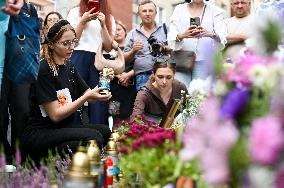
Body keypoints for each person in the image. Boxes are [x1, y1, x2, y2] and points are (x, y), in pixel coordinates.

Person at [20, 20, 113, 161]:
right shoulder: (44, 69)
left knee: (105, 131)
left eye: (73, 42)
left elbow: (91, 97)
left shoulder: (68, 65)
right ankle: (44, 160)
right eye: (65, 43)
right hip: (42, 131)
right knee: (94, 138)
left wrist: (103, 81)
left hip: (62, 128)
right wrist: (85, 97)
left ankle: (70, 162)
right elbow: (55, 115)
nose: (71, 47)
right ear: (51, 44)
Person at [67, 0, 115, 125]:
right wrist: (82, 21)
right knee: (75, 96)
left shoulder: (109, 17)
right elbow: (71, 41)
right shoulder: (75, 12)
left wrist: (103, 25)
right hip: (78, 56)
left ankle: (98, 138)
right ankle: (73, 136)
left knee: (100, 100)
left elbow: (109, 47)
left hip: (101, 59)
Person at [168, 0, 227, 86]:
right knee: (181, 93)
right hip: (182, 60)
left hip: (204, 61)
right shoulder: (179, 9)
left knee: (199, 94)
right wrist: (183, 35)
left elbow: (222, 38)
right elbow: (171, 36)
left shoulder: (215, 11)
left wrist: (210, 34)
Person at [124, 0, 169, 91]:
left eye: (150, 11)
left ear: (156, 13)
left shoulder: (165, 29)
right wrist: (133, 51)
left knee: (164, 104)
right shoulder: (132, 34)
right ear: (139, 14)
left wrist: (163, 48)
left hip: (164, 75)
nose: (147, 14)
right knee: (145, 104)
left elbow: (175, 49)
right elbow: (124, 59)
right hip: (142, 77)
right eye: (144, 11)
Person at [131, 57, 188, 123]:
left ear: (174, 75)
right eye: (160, 77)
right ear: (153, 74)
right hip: (152, 130)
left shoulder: (180, 87)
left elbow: (189, 109)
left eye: (169, 77)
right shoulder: (144, 94)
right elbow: (135, 120)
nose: (164, 82)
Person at [109, 20, 136, 129]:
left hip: (130, 88)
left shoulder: (133, 48)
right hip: (114, 89)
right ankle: (114, 143)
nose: (117, 32)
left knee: (129, 117)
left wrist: (128, 75)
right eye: (114, 30)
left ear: (125, 31)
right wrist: (119, 76)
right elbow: (104, 66)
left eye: (119, 29)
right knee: (115, 117)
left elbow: (139, 65)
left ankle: (127, 143)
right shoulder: (108, 49)